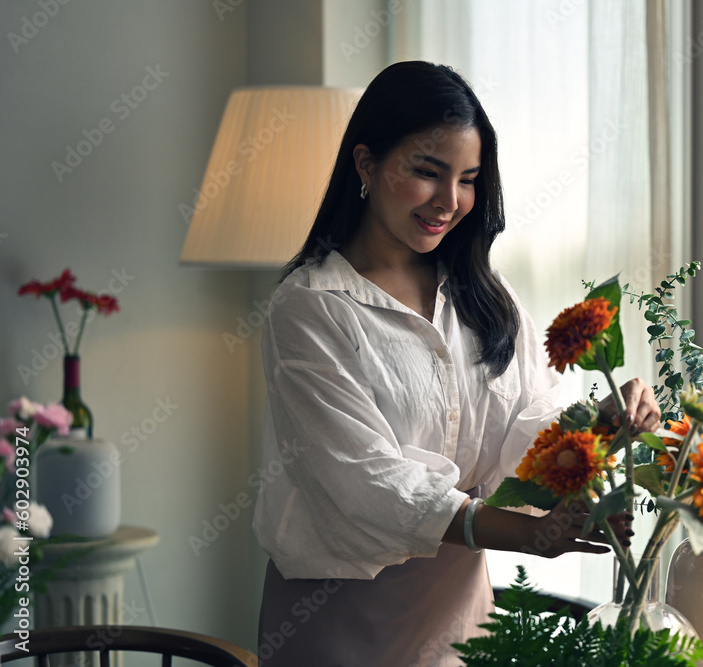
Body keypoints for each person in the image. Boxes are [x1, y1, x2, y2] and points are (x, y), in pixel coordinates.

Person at [252, 61, 662, 666]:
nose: (451, 201)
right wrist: (529, 536)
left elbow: (523, 434)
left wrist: (602, 423)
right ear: (365, 164)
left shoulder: (484, 296)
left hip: (462, 617)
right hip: (340, 619)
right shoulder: (310, 309)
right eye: (427, 172)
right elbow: (367, 485)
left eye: (469, 179)